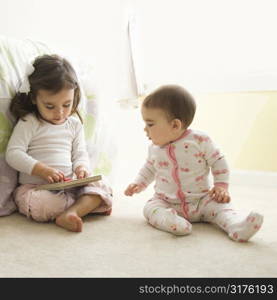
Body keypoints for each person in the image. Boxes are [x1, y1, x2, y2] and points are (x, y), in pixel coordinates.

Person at [124, 84, 263, 242]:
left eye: (150, 124)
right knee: (150, 209)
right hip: (166, 201)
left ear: (175, 125)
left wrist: (221, 186)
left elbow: (218, 161)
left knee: (222, 208)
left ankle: (236, 226)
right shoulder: (154, 149)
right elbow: (148, 169)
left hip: (201, 201)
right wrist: (138, 183)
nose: (145, 129)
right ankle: (173, 222)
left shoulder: (199, 140)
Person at [5, 54, 112, 232]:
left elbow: (80, 153)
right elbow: (13, 153)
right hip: (35, 188)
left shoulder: (74, 124)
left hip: (69, 186)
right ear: (34, 99)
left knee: (103, 185)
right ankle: (79, 208)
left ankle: (70, 213)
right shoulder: (29, 122)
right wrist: (41, 169)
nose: (60, 113)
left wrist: (81, 168)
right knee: (43, 204)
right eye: (50, 106)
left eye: (67, 104)